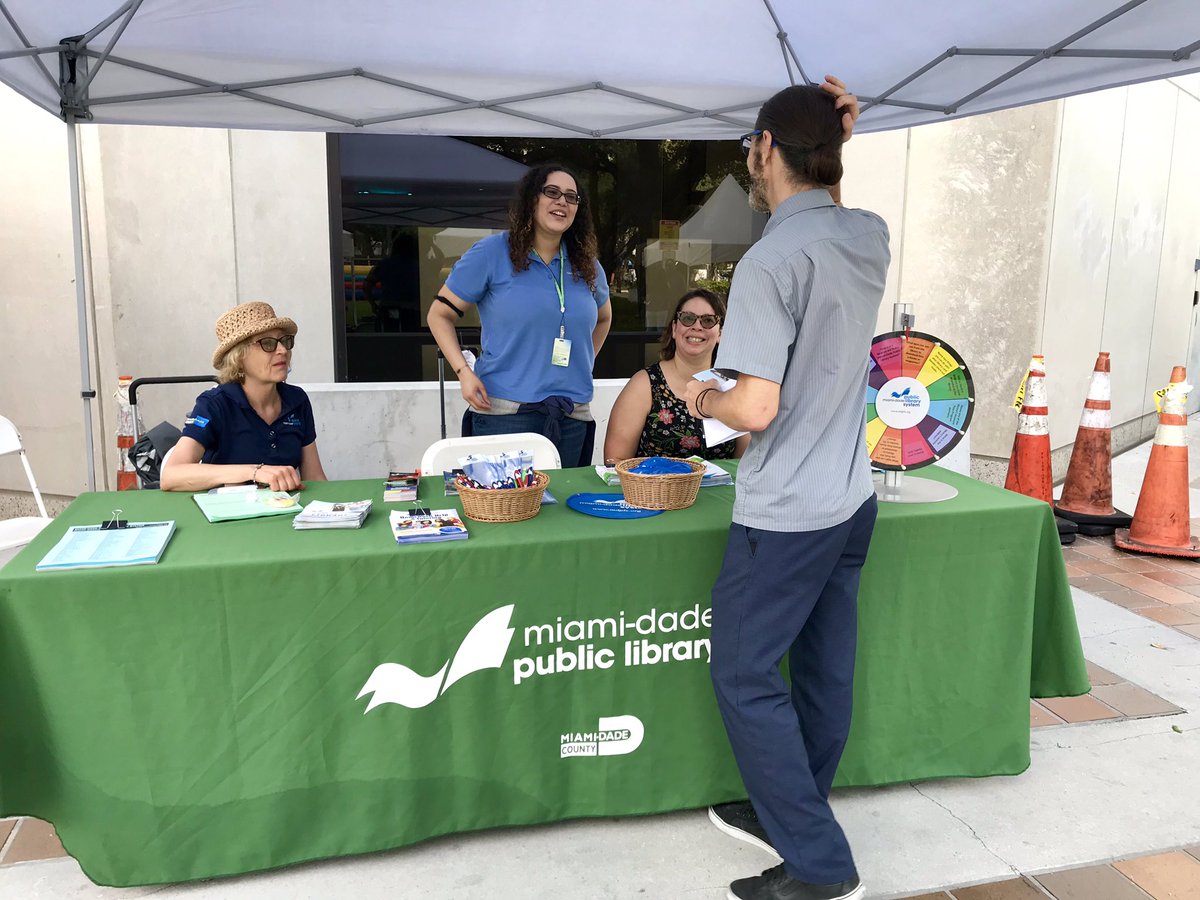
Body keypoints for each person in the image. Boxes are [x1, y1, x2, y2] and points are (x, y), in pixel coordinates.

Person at [682, 76, 888, 900]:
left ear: (765, 149)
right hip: (849, 495)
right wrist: (840, 138)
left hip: (790, 508)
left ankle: (819, 866)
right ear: (830, 154)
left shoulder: (771, 259)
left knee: (742, 672)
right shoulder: (867, 235)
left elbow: (755, 406)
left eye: (750, 147)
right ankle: (788, 808)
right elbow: (831, 201)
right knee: (824, 668)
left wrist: (702, 393)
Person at [427, 164, 612, 468]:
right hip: (505, 415)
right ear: (531, 199)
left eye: (571, 197)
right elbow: (439, 314)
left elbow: (604, 318)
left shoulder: (587, 265)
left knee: (563, 515)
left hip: (572, 414)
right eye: (551, 192)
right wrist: (463, 371)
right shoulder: (492, 253)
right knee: (504, 513)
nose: (561, 202)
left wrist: (586, 360)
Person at [160, 301, 328, 492]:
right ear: (239, 357)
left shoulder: (297, 400)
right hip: (228, 517)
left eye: (285, 340)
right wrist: (255, 472)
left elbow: (314, 477)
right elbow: (170, 475)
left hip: (286, 513)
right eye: (268, 344)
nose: (282, 350)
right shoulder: (215, 404)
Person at [603, 289, 749, 463]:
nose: (697, 326)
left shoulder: (733, 385)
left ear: (720, 333)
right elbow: (614, 460)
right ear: (674, 328)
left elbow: (745, 460)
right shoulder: (645, 385)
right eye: (688, 318)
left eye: (708, 321)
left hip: (719, 489)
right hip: (654, 489)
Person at [363, 230, 422, 332]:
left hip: (388, 307)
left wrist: (373, 304)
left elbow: (367, 285)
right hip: (412, 310)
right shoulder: (418, 266)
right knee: (412, 341)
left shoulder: (385, 264)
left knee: (387, 340)